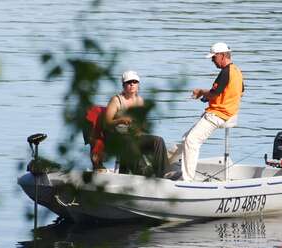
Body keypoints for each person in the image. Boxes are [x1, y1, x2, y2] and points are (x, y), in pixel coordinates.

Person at [181, 42, 244, 181]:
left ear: (222, 56)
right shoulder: (237, 71)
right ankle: (166, 164)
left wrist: (200, 93)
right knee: (185, 139)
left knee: (191, 141)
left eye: (213, 57)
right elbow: (241, 92)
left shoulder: (225, 72)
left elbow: (212, 94)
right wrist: (210, 95)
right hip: (229, 113)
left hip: (217, 114)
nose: (212, 60)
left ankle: (187, 181)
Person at [104, 70, 170, 177]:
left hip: (135, 136)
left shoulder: (140, 101)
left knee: (158, 140)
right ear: (123, 85)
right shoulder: (116, 100)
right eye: (129, 82)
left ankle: (162, 174)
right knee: (129, 142)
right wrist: (120, 120)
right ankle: (142, 173)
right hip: (119, 137)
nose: (132, 84)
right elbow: (106, 123)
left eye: (135, 82)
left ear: (138, 84)